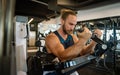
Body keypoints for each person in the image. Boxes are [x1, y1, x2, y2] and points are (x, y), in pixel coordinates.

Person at [44, 9, 102, 75]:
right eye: (70, 24)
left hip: (68, 69)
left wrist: (94, 41)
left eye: (74, 25)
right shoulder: (51, 38)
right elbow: (62, 56)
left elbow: (83, 52)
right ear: (62, 21)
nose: (72, 28)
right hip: (53, 72)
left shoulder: (73, 37)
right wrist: (83, 39)